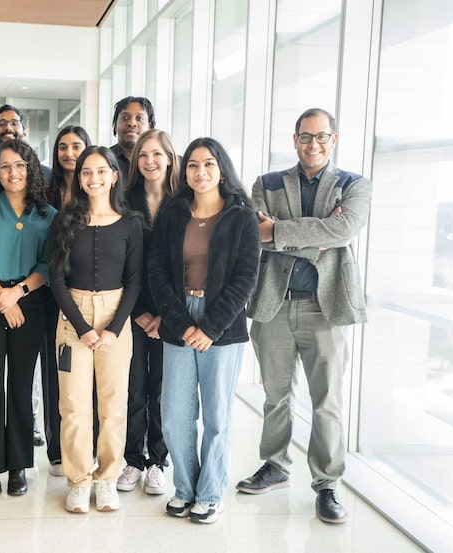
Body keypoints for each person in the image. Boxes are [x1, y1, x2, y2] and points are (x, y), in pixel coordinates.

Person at [237, 108, 372, 524]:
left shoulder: (355, 185)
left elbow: (344, 231)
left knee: (326, 401)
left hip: (324, 307)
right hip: (273, 304)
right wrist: (318, 233)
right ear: (294, 139)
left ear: (334, 139)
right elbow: (254, 235)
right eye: (305, 137)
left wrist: (280, 231)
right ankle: (275, 465)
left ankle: (327, 485)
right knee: (275, 396)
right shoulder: (267, 183)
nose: (313, 144)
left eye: (321, 137)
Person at [147, 137, 260, 524]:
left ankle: (210, 493)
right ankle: (185, 488)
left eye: (209, 164)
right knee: (175, 414)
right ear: (185, 171)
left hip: (222, 324)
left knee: (216, 415)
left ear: (222, 169)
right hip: (179, 316)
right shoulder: (172, 213)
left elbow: (246, 280)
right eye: (193, 165)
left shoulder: (242, 216)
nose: (201, 172)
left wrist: (209, 327)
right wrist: (181, 323)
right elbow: (157, 270)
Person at [50, 146, 143, 514]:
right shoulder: (64, 220)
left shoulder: (131, 223)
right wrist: (83, 327)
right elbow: (56, 279)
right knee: (72, 404)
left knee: (113, 403)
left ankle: (106, 479)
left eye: (101, 171)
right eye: (87, 172)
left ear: (114, 175)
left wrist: (113, 329)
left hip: (115, 318)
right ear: (79, 177)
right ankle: (78, 480)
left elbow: (135, 282)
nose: (94, 178)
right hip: (73, 319)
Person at [0, 139, 57, 497]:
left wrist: (16, 294)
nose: (12, 172)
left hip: (29, 303)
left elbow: (48, 264)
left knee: (20, 386)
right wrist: (1, 297)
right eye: (4, 166)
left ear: (31, 168)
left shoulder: (46, 214)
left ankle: (18, 465)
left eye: (19, 165)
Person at [117, 129, 180, 495]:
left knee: (162, 389)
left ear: (170, 158)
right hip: (133, 308)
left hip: (172, 312)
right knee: (134, 387)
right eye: (143, 155)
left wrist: (166, 315)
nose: (150, 161)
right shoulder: (125, 200)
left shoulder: (183, 201)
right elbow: (121, 261)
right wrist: (139, 310)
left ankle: (158, 460)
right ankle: (132, 460)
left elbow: (186, 265)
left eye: (157, 154)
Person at [41, 125, 93, 478]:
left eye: (77, 146)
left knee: (89, 373)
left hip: (89, 292)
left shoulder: (98, 188)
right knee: (54, 371)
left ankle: (90, 443)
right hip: (50, 290)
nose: (69, 153)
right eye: (63, 147)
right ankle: (58, 447)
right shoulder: (45, 192)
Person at [0, 104, 52, 184]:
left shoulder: (47, 174)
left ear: (25, 133)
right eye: (2, 124)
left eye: (14, 123)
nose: (8, 128)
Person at [110, 96, 156, 178]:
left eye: (139, 118)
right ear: (115, 125)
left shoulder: (158, 161)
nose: (132, 123)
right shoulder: (104, 159)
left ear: (150, 127)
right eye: (125, 118)